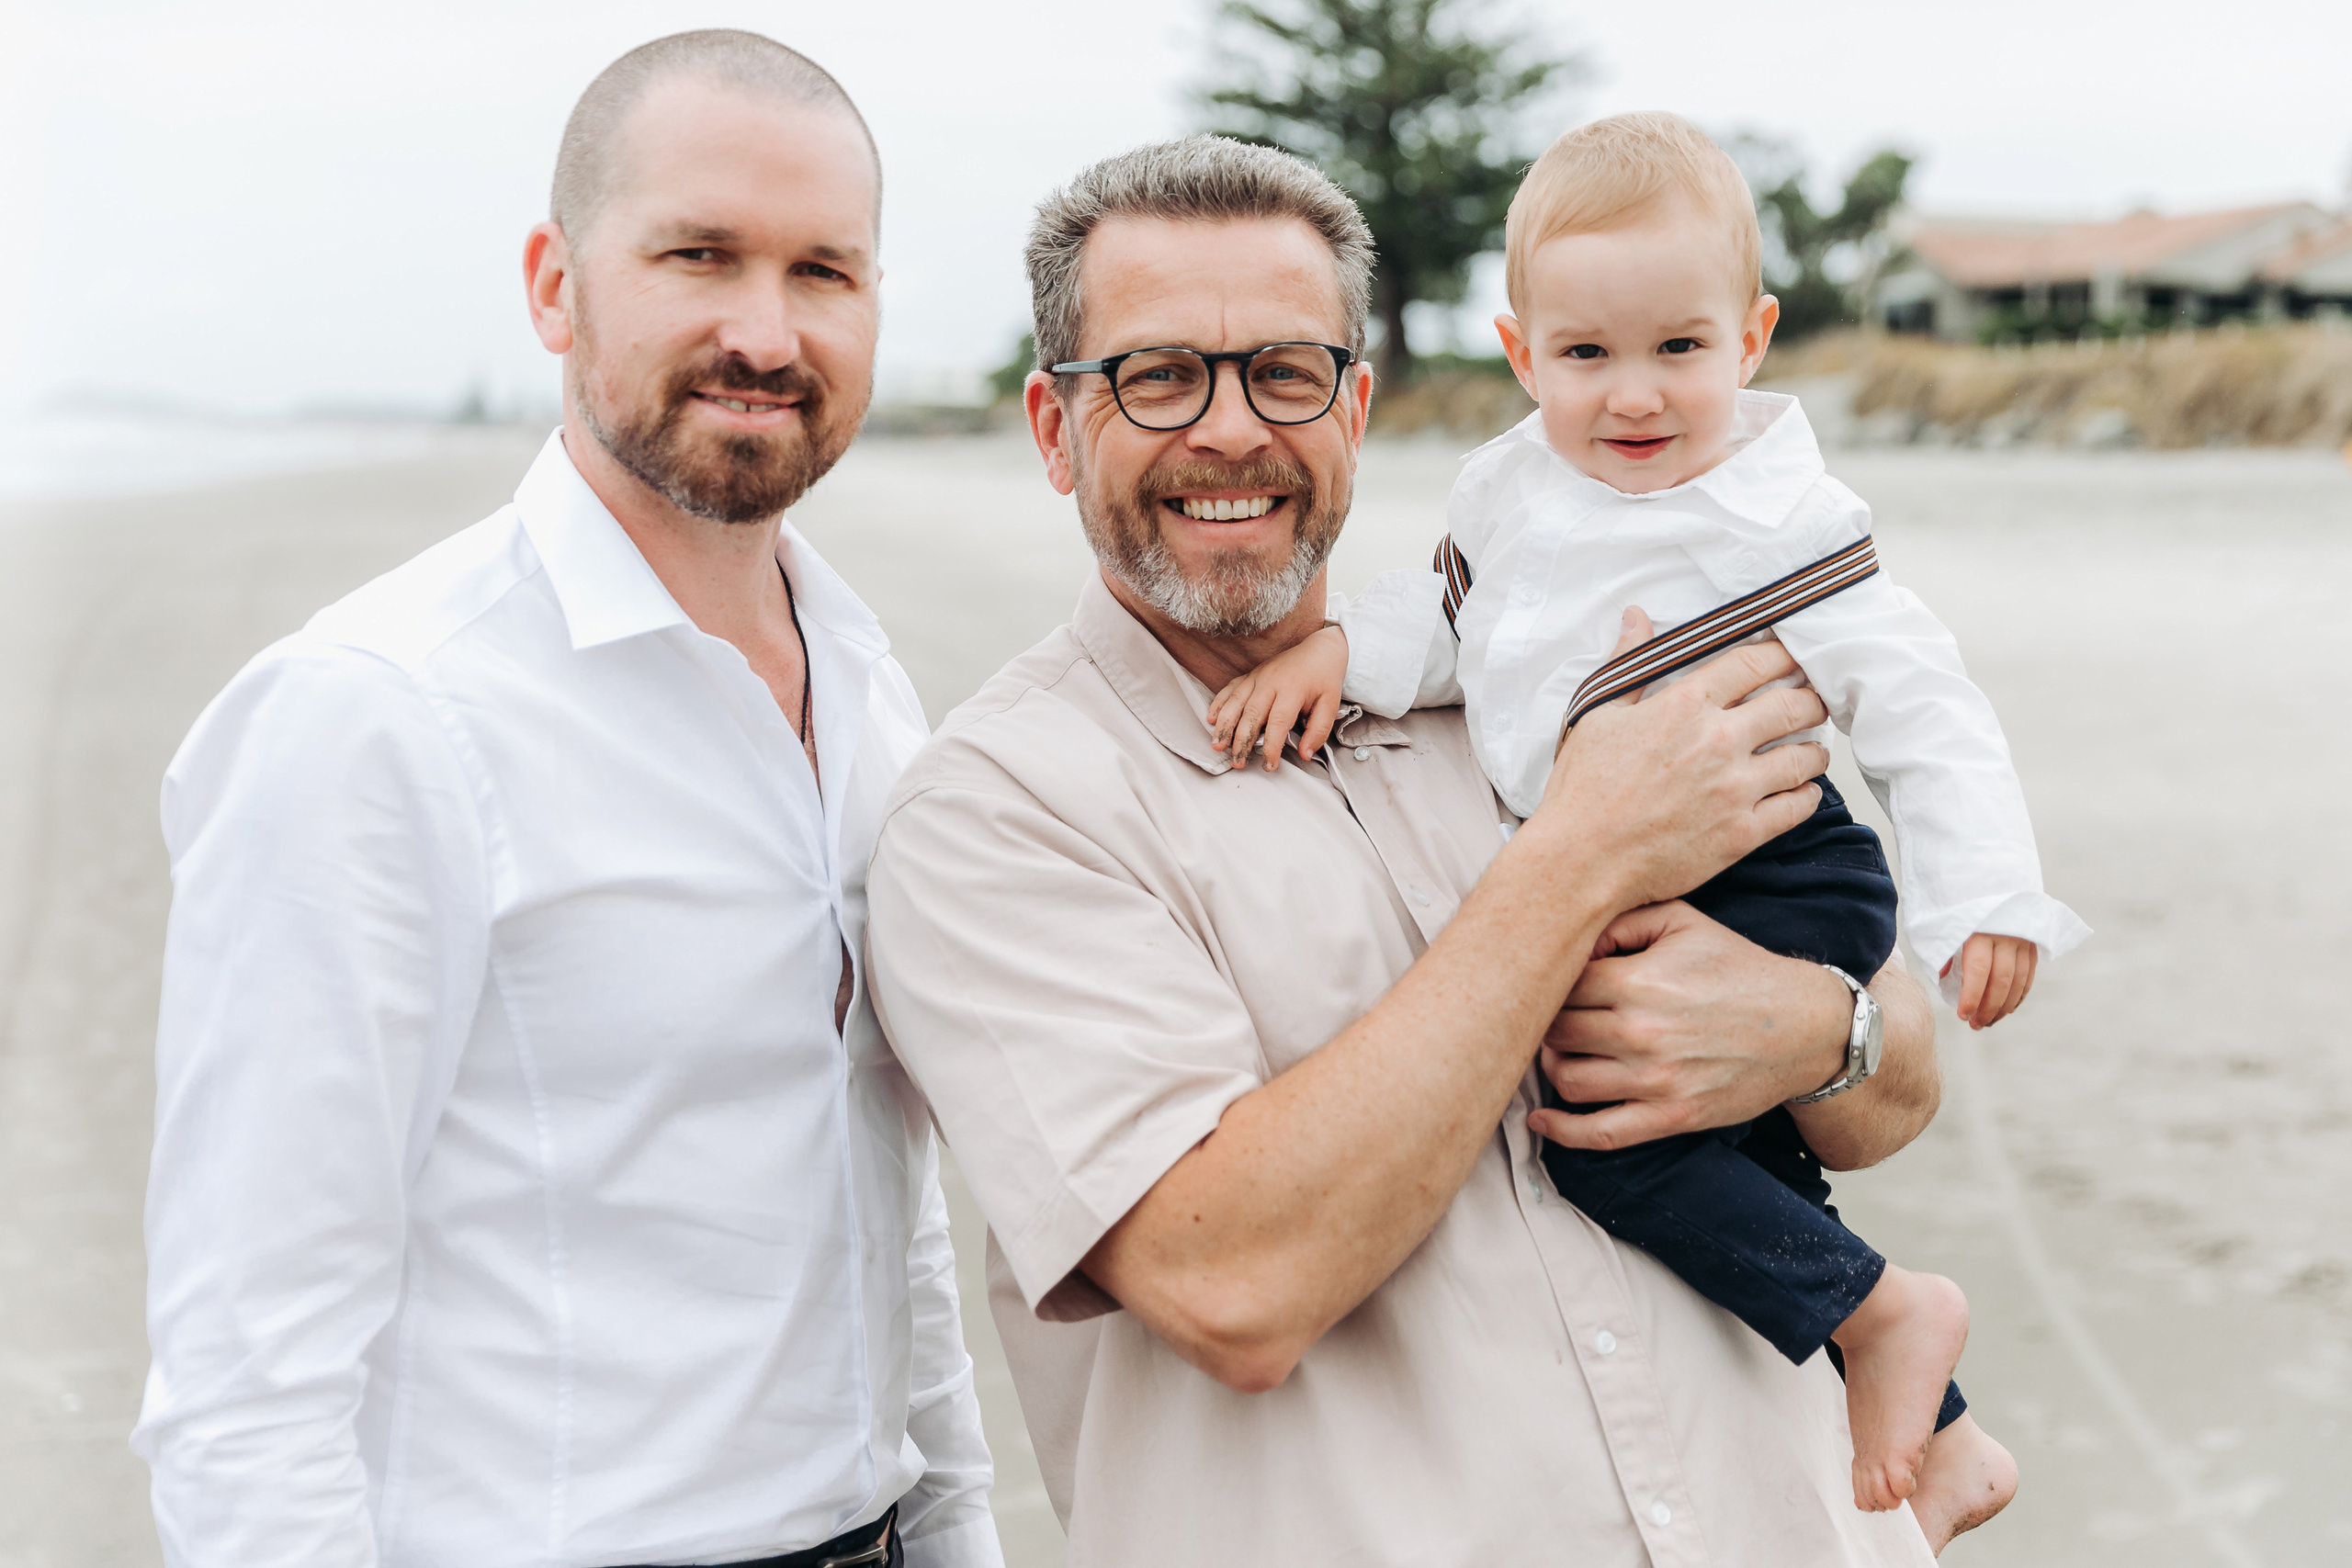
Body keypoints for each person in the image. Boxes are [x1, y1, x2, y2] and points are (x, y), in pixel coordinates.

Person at [864, 134, 1952, 1565]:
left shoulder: (1542, 670)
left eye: (1286, 371)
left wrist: (1822, 1028)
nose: (1233, 428)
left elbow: (1897, 1090)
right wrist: (1581, 855)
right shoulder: (1000, 811)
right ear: (1057, 425)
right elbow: (1230, 1280)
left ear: (1356, 407)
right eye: (1158, 374)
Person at [134, 31, 1001, 1568]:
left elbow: (887, 1210)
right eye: (699, 255)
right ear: (555, 284)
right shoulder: (375, 715)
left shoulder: (869, 691)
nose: (765, 329)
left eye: (825, 272)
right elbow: (245, 1382)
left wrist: (955, 1533)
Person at [1204, 111, 2086, 1534]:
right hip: (1642, 869)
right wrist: (1332, 661)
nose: (1634, 397)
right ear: (1519, 353)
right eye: (1586, 356)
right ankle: (1950, 1432)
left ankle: (1881, 1319)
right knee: (1723, 1140)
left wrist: (1985, 897)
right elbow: (1442, 624)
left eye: (1680, 349)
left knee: (1613, 1137)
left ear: (1752, 336)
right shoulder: (1513, 490)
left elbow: (1924, 708)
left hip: (1780, 866)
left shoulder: (1778, 520)